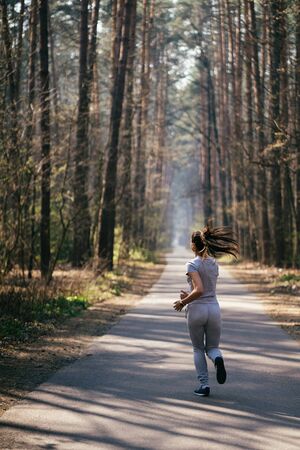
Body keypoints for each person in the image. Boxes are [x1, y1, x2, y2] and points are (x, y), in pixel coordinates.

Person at [173, 224, 239, 397]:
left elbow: (200, 290)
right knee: (212, 348)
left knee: (198, 349)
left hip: (197, 310)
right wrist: (190, 293)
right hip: (214, 309)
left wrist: (183, 301)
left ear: (193, 245)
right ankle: (217, 359)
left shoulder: (192, 264)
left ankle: (204, 385)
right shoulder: (214, 264)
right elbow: (207, 289)